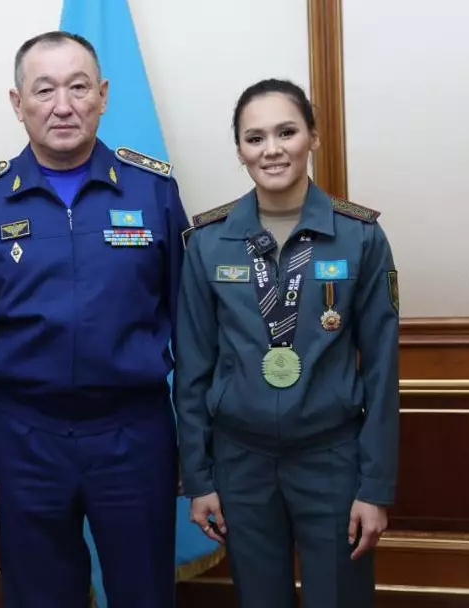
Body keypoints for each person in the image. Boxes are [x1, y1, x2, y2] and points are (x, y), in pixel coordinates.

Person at [0, 31, 190, 608]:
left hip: (133, 435)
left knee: (145, 594)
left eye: (78, 88)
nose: (62, 106)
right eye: (44, 90)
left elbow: (193, 334)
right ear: (17, 102)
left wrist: (197, 454)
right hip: (24, 439)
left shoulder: (153, 191)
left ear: (103, 95)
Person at [174, 78, 400, 607]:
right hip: (240, 462)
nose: (271, 149)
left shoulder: (360, 236)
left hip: (332, 458)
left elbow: (382, 372)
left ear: (312, 137)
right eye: (254, 138)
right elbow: (192, 369)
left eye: (286, 132)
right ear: (239, 151)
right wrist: (199, 479)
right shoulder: (207, 242)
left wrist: (374, 488)